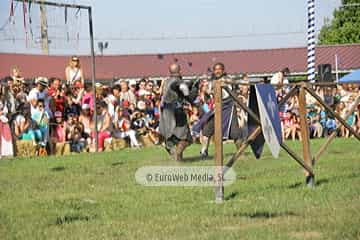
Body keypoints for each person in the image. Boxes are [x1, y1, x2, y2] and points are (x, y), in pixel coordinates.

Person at [192, 62, 247, 158]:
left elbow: (226, 92)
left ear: (223, 70)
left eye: (219, 69)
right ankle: (204, 151)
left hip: (228, 107)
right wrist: (206, 90)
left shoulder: (227, 79)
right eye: (215, 69)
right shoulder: (211, 80)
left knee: (235, 132)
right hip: (216, 107)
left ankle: (240, 153)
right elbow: (208, 94)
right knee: (207, 129)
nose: (217, 71)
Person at [159, 63, 200, 161]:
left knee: (173, 138)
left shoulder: (166, 81)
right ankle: (178, 155)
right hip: (176, 112)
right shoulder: (177, 81)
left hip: (166, 112)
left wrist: (190, 84)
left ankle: (178, 159)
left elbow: (180, 90)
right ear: (179, 71)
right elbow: (187, 95)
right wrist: (195, 88)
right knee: (185, 139)